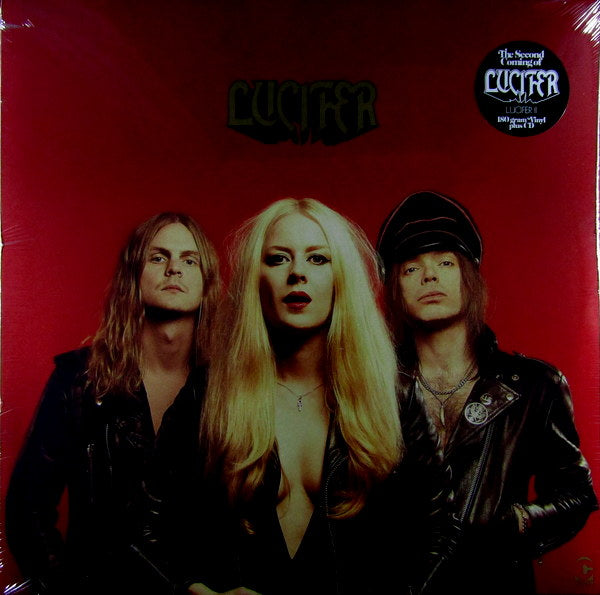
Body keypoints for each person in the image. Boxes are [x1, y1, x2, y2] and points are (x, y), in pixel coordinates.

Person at [156, 198, 452, 595]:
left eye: (318, 259)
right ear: (255, 279)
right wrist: (195, 591)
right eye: (278, 259)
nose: (297, 273)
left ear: (341, 277)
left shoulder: (394, 396)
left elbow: (439, 536)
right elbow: (145, 523)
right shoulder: (208, 393)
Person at [376, 190, 598, 595]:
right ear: (395, 288)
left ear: (470, 277)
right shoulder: (368, 386)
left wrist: (517, 521)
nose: (429, 276)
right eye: (411, 268)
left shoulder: (534, 384)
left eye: (445, 262)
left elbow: (577, 494)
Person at [6, 212, 220, 595]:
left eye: (190, 260)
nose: (174, 268)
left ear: (207, 282)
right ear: (133, 274)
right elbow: (28, 507)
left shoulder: (228, 387)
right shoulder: (80, 379)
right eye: (158, 257)